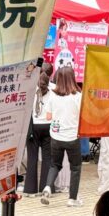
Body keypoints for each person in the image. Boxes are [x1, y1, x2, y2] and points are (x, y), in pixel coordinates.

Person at [41, 66, 83, 207]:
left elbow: (48, 116)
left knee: (55, 164)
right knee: (75, 167)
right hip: (72, 137)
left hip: (56, 137)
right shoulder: (78, 96)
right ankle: (72, 199)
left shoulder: (53, 96)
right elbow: (82, 116)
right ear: (72, 78)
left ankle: (48, 187)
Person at [22, 62, 52, 196]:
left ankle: (30, 189)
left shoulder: (30, 89)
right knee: (47, 158)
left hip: (33, 126)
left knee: (32, 157)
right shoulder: (53, 90)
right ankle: (46, 187)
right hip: (48, 126)